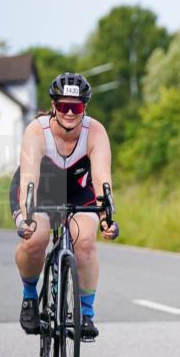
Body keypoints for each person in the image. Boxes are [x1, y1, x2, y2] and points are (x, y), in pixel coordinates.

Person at [9, 72, 118, 340]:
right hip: (41, 190)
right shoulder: (37, 130)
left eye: (77, 107)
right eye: (64, 106)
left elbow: (102, 179)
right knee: (36, 239)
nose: (70, 113)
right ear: (54, 106)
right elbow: (29, 177)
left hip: (80, 191)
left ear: (85, 108)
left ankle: (86, 313)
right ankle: (30, 297)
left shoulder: (96, 131)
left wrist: (107, 218)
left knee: (86, 244)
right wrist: (26, 217)